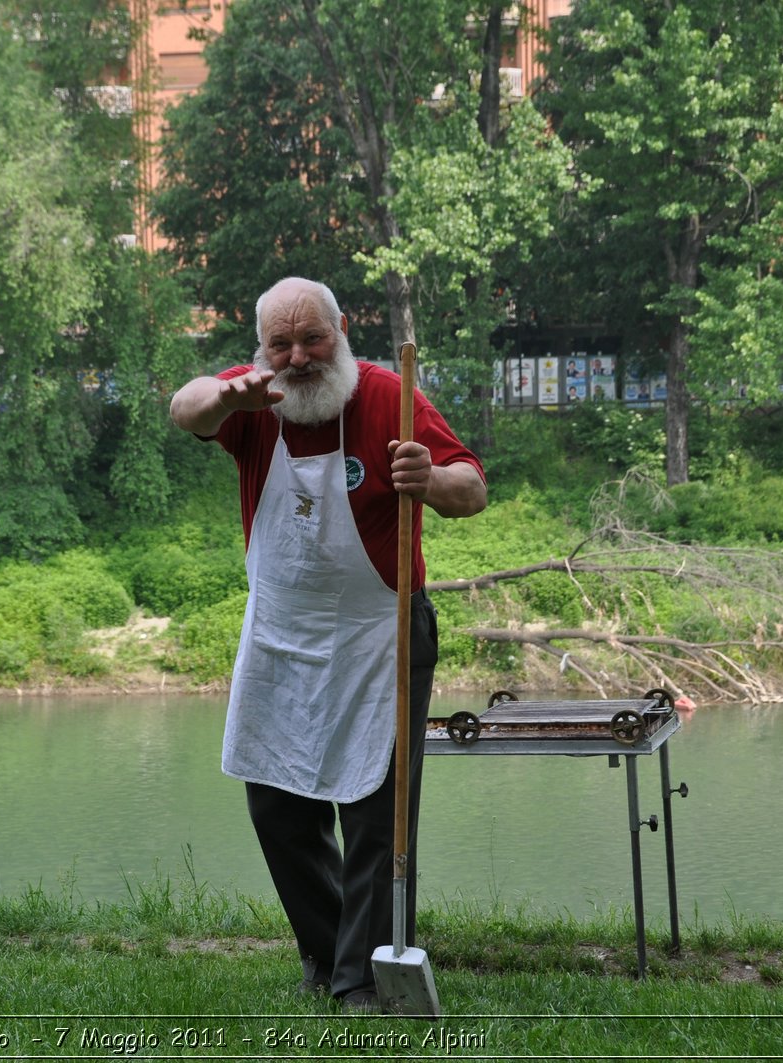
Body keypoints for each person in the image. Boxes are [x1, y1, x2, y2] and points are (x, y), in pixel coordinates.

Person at [169, 277, 485, 1011]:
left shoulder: (384, 395)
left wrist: (429, 477)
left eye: (312, 338)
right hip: (282, 632)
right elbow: (184, 407)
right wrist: (225, 400)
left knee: (375, 815)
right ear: (262, 347)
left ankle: (360, 980)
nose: (299, 356)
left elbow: (472, 487)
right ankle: (326, 947)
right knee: (276, 805)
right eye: (281, 344)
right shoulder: (250, 399)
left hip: (382, 630)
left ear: (341, 328)